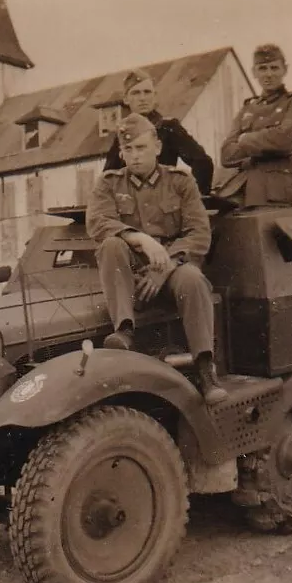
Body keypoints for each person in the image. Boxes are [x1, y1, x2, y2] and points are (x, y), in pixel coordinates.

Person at [87, 113, 228, 405]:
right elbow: (98, 222)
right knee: (111, 245)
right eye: (128, 150)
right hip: (132, 266)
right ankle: (124, 330)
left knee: (193, 279)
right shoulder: (109, 183)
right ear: (121, 154)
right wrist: (139, 238)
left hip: (174, 265)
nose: (135, 156)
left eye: (141, 147)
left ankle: (205, 368)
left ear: (158, 147)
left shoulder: (180, 182)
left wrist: (164, 267)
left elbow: (199, 234)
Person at [216, 44, 292, 207]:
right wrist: (267, 141)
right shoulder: (248, 109)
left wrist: (245, 139)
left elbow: (285, 139)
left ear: (285, 70)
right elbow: (226, 154)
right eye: (262, 69)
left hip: (280, 187)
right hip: (244, 186)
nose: (268, 74)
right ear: (254, 72)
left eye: (274, 68)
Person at [104, 68, 216, 196]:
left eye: (147, 92)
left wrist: (193, 199)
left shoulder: (168, 128)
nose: (142, 98)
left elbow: (202, 162)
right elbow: (108, 176)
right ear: (126, 99)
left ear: (154, 96)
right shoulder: (122, 133)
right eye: (136, 93)